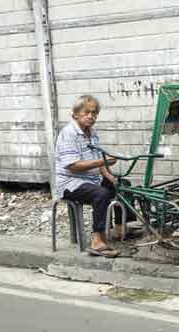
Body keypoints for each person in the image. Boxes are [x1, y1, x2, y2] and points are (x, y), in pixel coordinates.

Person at [55, 95, 133, 257]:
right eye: (86, 112)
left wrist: (111, 178)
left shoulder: (92, 132)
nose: (91, 116)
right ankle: (97, 240)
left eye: (94, 113)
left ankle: (119, 229)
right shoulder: (68, 133)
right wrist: (101, 162)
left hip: (92, 180)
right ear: (75, 114)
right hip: (71, 183)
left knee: (123, 184)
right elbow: (73, 165)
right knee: (101, 194)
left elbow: (100, 162)